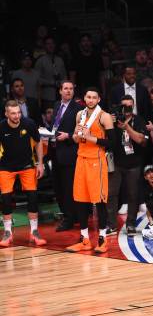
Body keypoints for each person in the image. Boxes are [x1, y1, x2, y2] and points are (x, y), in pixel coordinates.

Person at [66, 88, 115, 254]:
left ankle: (102, 239)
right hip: (81, 159)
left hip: (97, 161)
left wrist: (89, 137)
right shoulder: (80, 115)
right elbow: (75, 137)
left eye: (94, 97)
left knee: (99, 200)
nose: (91, 100)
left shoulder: (104, 116)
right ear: (84, 98)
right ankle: (84, 239)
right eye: (88, 97)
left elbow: (112, 143)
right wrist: (76, 135)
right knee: (80, 199)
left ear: (99, 99)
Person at [0, 100, 46, 247]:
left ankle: (34, 232)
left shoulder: (29, 124)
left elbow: (38, 142)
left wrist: (40, 163)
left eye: (18, 112)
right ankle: (7, 232)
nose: (16, 116)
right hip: (6, 167)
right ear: (6, 113)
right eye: (13, 113)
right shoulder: (1, 126)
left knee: (32, 197)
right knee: (6, 199)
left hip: (27, 165)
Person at [107, 95, 147, 235]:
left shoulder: (139, 120)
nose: (127, 108)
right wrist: (110, 123)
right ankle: (111, 225)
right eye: (124, 106)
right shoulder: (112, 120)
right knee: (111, 194)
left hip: (134, 164)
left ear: (134, 105)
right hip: (116, 163)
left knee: (133, 195)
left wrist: (126, 127)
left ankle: (130, 224)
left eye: (130, 105)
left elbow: (141, 140)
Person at [51, 81, 81, 231]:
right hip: (56, 152)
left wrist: (68, 136)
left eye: (71, 89)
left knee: (68, 188)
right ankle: (69, 216)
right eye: (66, 89)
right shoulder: (57, 105)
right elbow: (56, 126)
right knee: (59, 187)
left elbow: (81, 132)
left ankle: (69, 219)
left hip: (70, 153)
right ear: (60, 91)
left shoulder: (78, 108)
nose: (68, 91)